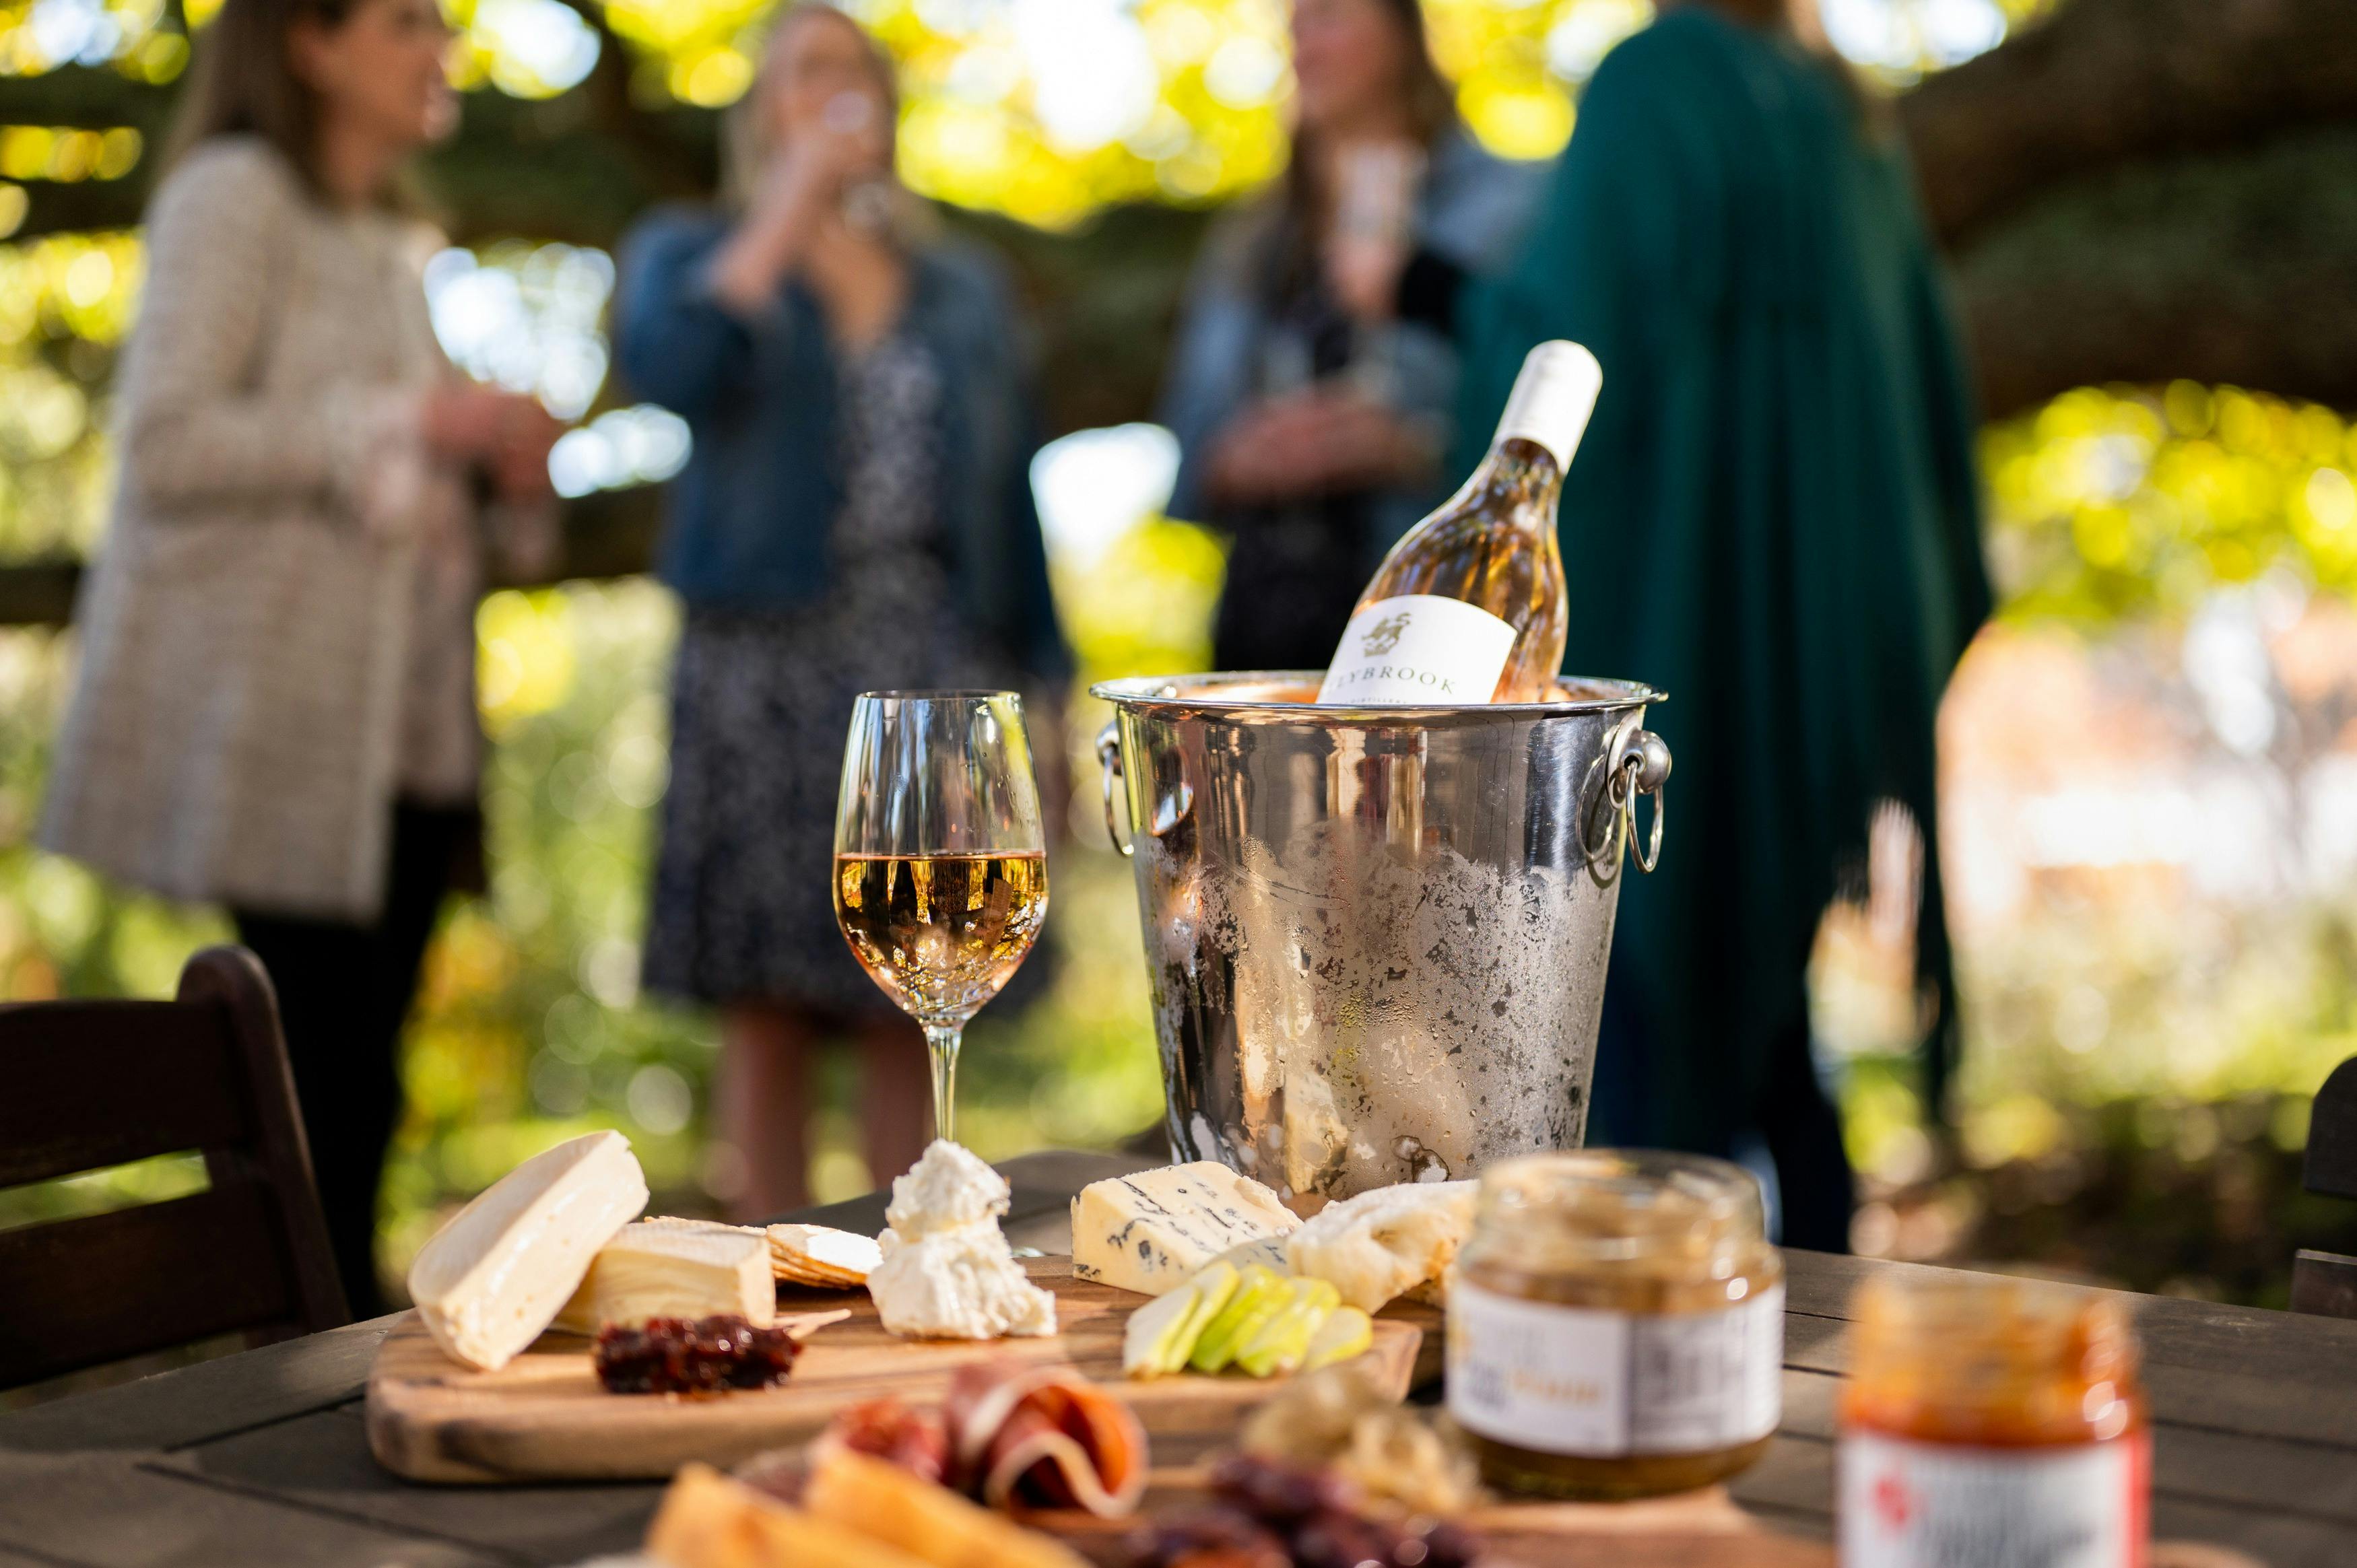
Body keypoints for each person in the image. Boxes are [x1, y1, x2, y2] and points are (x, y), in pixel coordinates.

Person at [40, 0, 560, 1316]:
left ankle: (334, 1357)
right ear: (311, 43)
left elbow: (415, 493)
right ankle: (297, 1371)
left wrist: (502, 464)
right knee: (308, 1076)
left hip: (410, 733)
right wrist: (409, 417)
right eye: (407, 21)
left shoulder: (394, 242)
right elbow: (166, 443)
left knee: (363, 1072)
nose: (442, 44)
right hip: (285, 735)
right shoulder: (232, 195)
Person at [1455, 0, 1991, 1249]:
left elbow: (1564, 347)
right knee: (1769, 1023)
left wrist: (1435, 296)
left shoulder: (1653, 87)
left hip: (1684, 655)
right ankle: (1816, 1331)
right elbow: (1927, 393)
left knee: (1648, 1016)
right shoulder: (1850, 114)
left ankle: (1637, 1342)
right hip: (1824, 671)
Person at [614, 5, 1063, 1219]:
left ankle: (908, 1250)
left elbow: (1009, 502)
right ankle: (765, 1268)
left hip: (929, 659)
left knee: (914, 981)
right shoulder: (694, 247)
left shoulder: (960, 288)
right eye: (805, 72)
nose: (835, 92)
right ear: (761, 106)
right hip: (758, 665)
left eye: (854, 71)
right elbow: (673, 368)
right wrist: (788, 207)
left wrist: (1049, 698)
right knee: (763, 999)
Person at [1157, 0, 1541, 673]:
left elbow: (1552, 414)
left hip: (1436, 624)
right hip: (1269, 632)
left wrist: (1416, 449)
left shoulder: (1512, 209)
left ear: (1401, 34)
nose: (1303, 42)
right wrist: (1250, 453)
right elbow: (1189, 445)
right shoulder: (1255, 239)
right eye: (1294, 23)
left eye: (1329, 16)